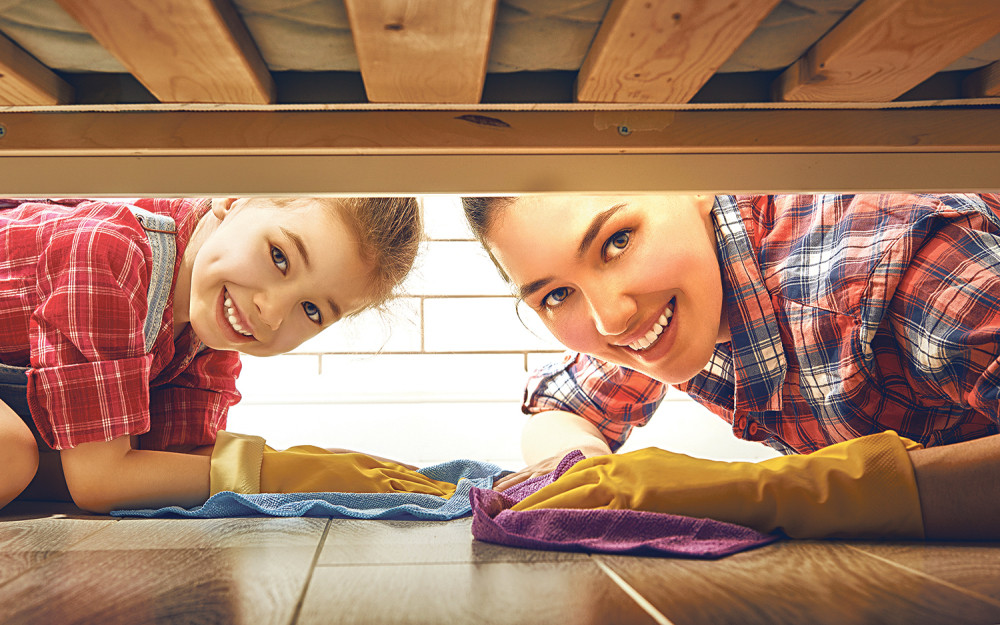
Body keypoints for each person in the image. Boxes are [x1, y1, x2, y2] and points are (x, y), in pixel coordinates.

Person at [462, 193, 1000, 540]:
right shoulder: (669, 305)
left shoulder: (892, 267)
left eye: (618, 241)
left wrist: (766, 491)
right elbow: (564, 407)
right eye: (557, 295)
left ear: (699, 181)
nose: (609, 319)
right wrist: (588, 479)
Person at [0, 196, 425, 513]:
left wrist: (340, 467)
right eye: (280, 257)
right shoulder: (107, 252)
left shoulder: (205, 339)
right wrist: (287, 475)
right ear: (234, 200)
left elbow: (172, 466)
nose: (272, 314)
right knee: (12, 453)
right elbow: (102, 481)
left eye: (311, 310)